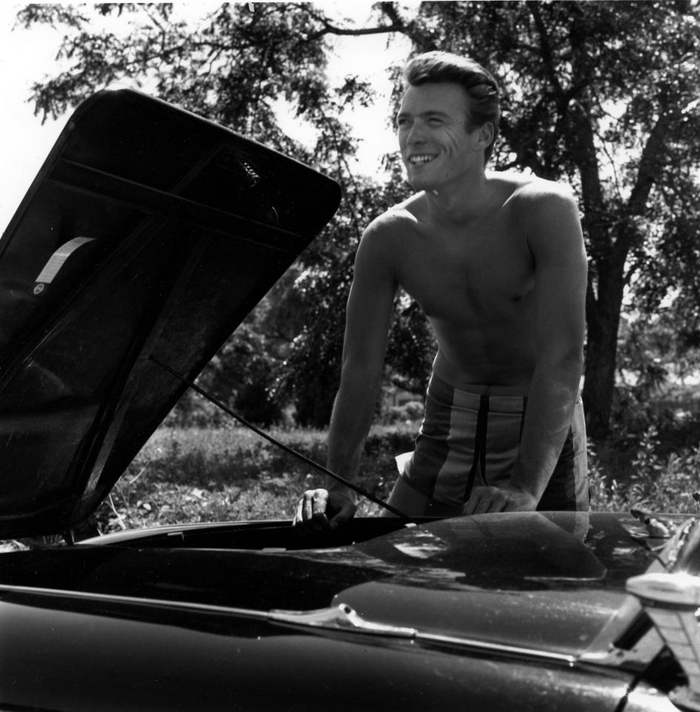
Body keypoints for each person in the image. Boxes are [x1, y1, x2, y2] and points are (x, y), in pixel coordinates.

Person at [294, 50, 588, 530]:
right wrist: (338, 484)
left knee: (551, 567)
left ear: (483, 135)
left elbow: (564, 355)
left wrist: (525, 488)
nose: (413, 136)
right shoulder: (389, 235)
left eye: (434, 120)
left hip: (540, 422)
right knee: (399, 558)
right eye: (405, 120)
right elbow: (360, 368)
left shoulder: (543, 208)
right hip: (448, 417)